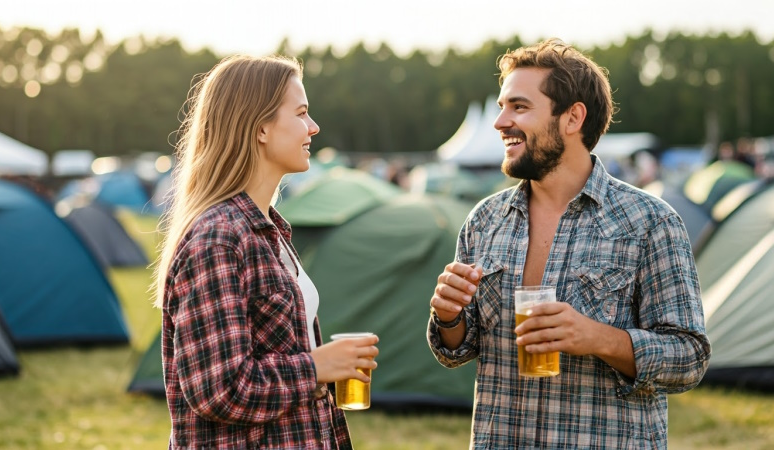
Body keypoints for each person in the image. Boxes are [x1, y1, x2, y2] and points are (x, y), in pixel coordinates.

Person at [427, 39, 711, 449]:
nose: (500, 121)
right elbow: (456, 351)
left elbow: (689, 358)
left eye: (519, 107)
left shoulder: (651, 222)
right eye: (502, 106)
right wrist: (449, 316)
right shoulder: (484, 221)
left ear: (573, 117)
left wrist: (596, 337)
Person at [154, 55, 379, 449]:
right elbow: (217, 388)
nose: (314, 127)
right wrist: (317, 367)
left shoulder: (268, 231)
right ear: (260, 128)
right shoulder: (218, 239)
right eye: (302, 113)